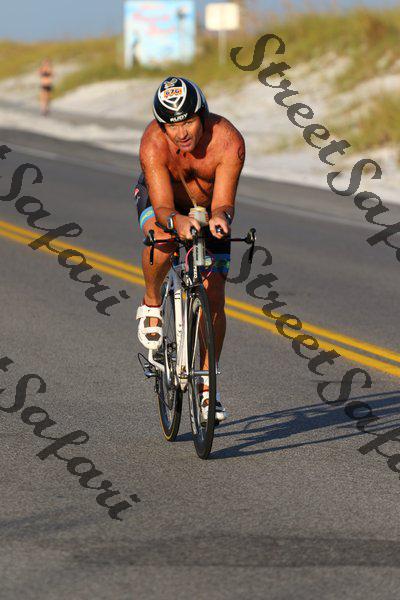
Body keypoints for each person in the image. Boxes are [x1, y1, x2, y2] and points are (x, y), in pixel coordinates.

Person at [135, 76, 245, 422]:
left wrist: (221, 218)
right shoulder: (153, 143)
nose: (181, 133)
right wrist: (175, 221)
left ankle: (208, 386)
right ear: (162, 126)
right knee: (163, 239)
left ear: (203, 116)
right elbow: (163, 207)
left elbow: (224, 202)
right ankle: (152, 302)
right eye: (172, 125)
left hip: (207, 207)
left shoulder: (228, 141)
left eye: (188, 122)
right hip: (163, 202)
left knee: (215, 295)